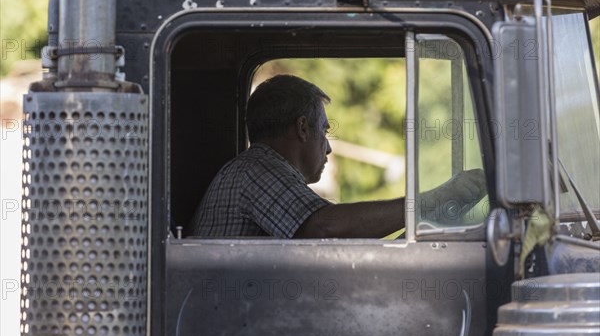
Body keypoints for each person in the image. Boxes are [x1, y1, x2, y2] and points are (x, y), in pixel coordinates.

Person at [191, 74, 486, 238]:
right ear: (303, 128)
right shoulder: (257, 170)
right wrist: (434, 200)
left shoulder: (254, 169)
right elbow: (325, 226)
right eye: (325, 130)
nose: (329, 148)